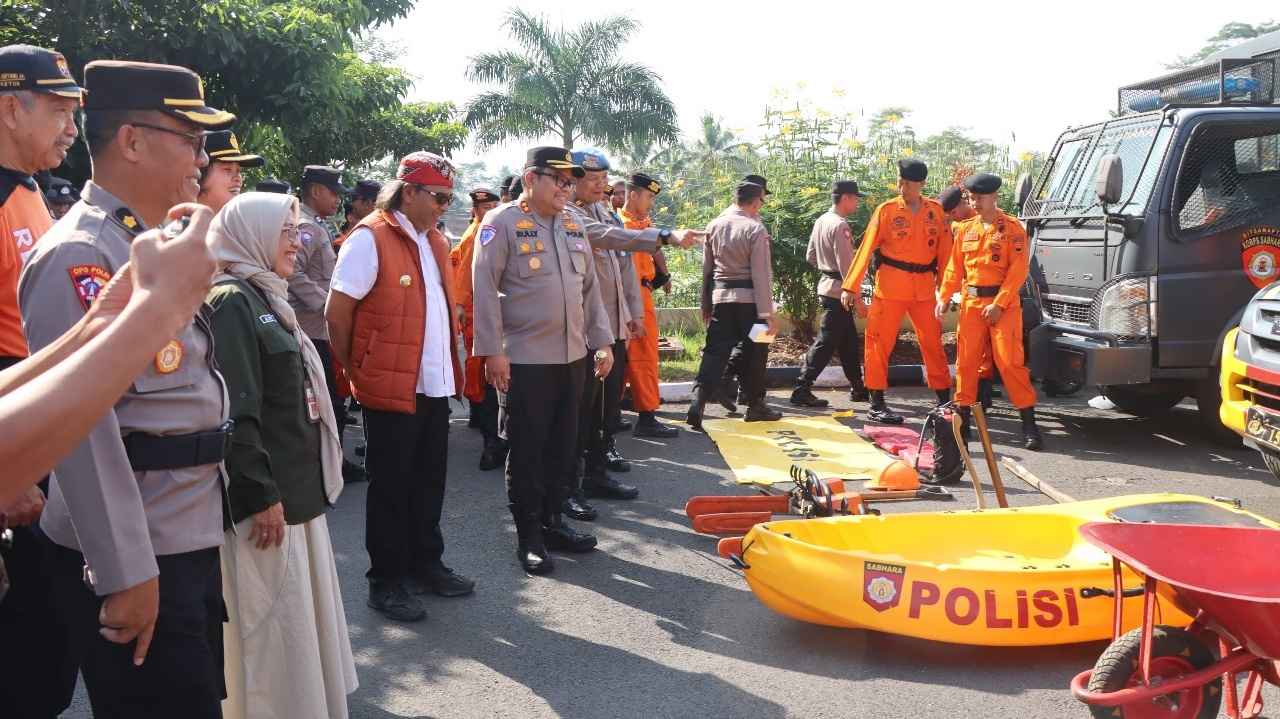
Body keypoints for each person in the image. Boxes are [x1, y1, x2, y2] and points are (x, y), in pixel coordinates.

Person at [19, 59, 235, 718]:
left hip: (181, 531)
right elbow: (81, 430)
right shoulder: (81, 253)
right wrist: (123, 571)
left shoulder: (148, 244)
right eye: (188, 135)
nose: (203, 153)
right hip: (139, 549)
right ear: (132, 141)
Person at [206, 192, 357, 719]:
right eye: (286, 231)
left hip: (298, 493)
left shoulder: (267, 295)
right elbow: (236, 412)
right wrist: (259, 493)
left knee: (298, 627)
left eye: (297, 230)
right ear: (251, 233)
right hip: (268, 506)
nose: (298, 241)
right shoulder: (231, 300)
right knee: (273, 632)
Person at [326, 151, 474, 622]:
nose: (444, 206)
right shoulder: (369, 238)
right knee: (391, 487)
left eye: (449, 198)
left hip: (432, 381)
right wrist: (357, 368)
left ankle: (425, 564)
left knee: (429, 481)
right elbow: (337, 313)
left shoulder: (433, 239)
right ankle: (386, 580)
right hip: (389, 385)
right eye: (438, 197)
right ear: (408, 192)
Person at [0, 206, 217, 508]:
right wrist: (155, 313)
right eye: (193, 152)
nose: (200, 159)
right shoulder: (76, 248)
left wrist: (93, 327)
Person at [472, 146, 613, 574]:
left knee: (563, 447)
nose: (567, 189)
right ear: (531, 178)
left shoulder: (573, 223)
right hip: (526, 361)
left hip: (572, 357)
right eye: (560, 180)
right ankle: (529, 535)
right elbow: (483, 290)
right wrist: (493, 350)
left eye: (571, 182)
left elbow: (589, 291)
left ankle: (554, 523)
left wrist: (602, 342)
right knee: (529, 450)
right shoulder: (503, 224)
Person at [0, 43, 82, 718]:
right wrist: (11, 467)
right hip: (13, 438)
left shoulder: (29, 192)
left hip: (42, 420)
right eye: (58, 109)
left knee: (51, 626)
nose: (72, 127)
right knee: (25, 631)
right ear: (8, 108)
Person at [840, 159, 953, 424]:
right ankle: (877, 403)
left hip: (924, 289)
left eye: (908, 183)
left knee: (933, 344)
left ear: (921, 184)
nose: (902, 186)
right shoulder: (887, 210)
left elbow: (947, 256)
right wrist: (850, 286)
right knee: (878, 344)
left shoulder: (936, 212)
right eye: (900, 181)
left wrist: (946, 292)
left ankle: (943, 402)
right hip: (890, 287)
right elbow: (866, 248)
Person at [937, 173, 1043, 450]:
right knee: (966, 362)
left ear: (994, 197)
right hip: (972, 305)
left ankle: (1029, 424)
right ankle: (963, 421)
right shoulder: (964, 229)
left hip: (1003, 306)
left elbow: (1018, 271)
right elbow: (953, 267)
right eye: (971, 198)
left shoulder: (1012, 229)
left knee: (1009, 363)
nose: (975, 203)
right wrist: (944, 296)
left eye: (979, 198)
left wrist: (1000, 303)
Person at [567, 148, 642, 513]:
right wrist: (665, 237)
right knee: (582, 408)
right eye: (593, 180)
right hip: (585, 332)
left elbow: (624, 268)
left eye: (603, 179)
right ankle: (573, 483)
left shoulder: (604, 211)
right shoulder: (568, 216)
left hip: (613, 326)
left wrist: (633, 312)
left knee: (606, 405)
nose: (602, 185)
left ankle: (596, 472)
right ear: (574, 179)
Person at [687, 175, 782, 430]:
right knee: (758, 351)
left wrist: (705, 304)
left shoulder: (714, 225)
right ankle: (755, 405)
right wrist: (767, 313)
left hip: (721, 300)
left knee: (715, 351)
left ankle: (698, 399)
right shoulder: (755, 229)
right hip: (751, 303)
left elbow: (706, 271)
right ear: (756, 202)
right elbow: (761, 274)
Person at [289, 164, 364, 481]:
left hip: (318, 329)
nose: (338, 200)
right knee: (321, 400)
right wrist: (328, 305)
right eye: (334, 193)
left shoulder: (315, 225)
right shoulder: (306, 227)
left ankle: (330, 462)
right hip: (311, 328)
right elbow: (293, 272)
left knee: (328, 399)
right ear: (317, 191)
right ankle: (326, 465)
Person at [792, 179, 870, 408]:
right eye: (855, 198)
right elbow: (848, 269)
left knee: (847, 342)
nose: (857, 202)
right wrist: (858, 300)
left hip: (828, 286)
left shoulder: (821, 220)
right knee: (825, 343)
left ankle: (858, 388)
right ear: (845, 198)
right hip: (839, 291)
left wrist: (828, 268)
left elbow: (810, 256)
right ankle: (801, 388)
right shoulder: (840, 226)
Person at [619, 172, 679, 438]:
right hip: (633, 298)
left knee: (623, 357)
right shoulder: (622, 225)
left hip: (641, 292)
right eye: (648, 197)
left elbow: (654, 249)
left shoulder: (639, 222)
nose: (651, 203)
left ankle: (612, 413)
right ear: (633, 195)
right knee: (643, 356)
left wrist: (663, 275)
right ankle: (646, 416)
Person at [450, 186, 504, 469]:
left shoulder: (485, 231)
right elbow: (462, 278)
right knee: (485, 384)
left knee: (489, 384)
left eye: (493, 206)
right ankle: (492, 444)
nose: (489, 212)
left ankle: (494, 441)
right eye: (484, 208)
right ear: (475, 210)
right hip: (478, 320)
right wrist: (459, 308)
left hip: (488, 318)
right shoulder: (480, 234)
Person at [940, 185, 997, 409]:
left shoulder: (991, 220)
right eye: (950, 215)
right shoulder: (961, 227)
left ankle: (984, 394)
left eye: (954, 212)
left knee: (990, 349)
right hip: (971, 294)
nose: (953, 218)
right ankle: (977, 399)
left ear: (965, 203)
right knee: (972, 350)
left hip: (996, 296)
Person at [196, 129, 263, 213]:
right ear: (199, 173)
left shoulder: (237, 225)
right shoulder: (179, 224)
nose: (238, 178)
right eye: (227, 169)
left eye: (238, 171)